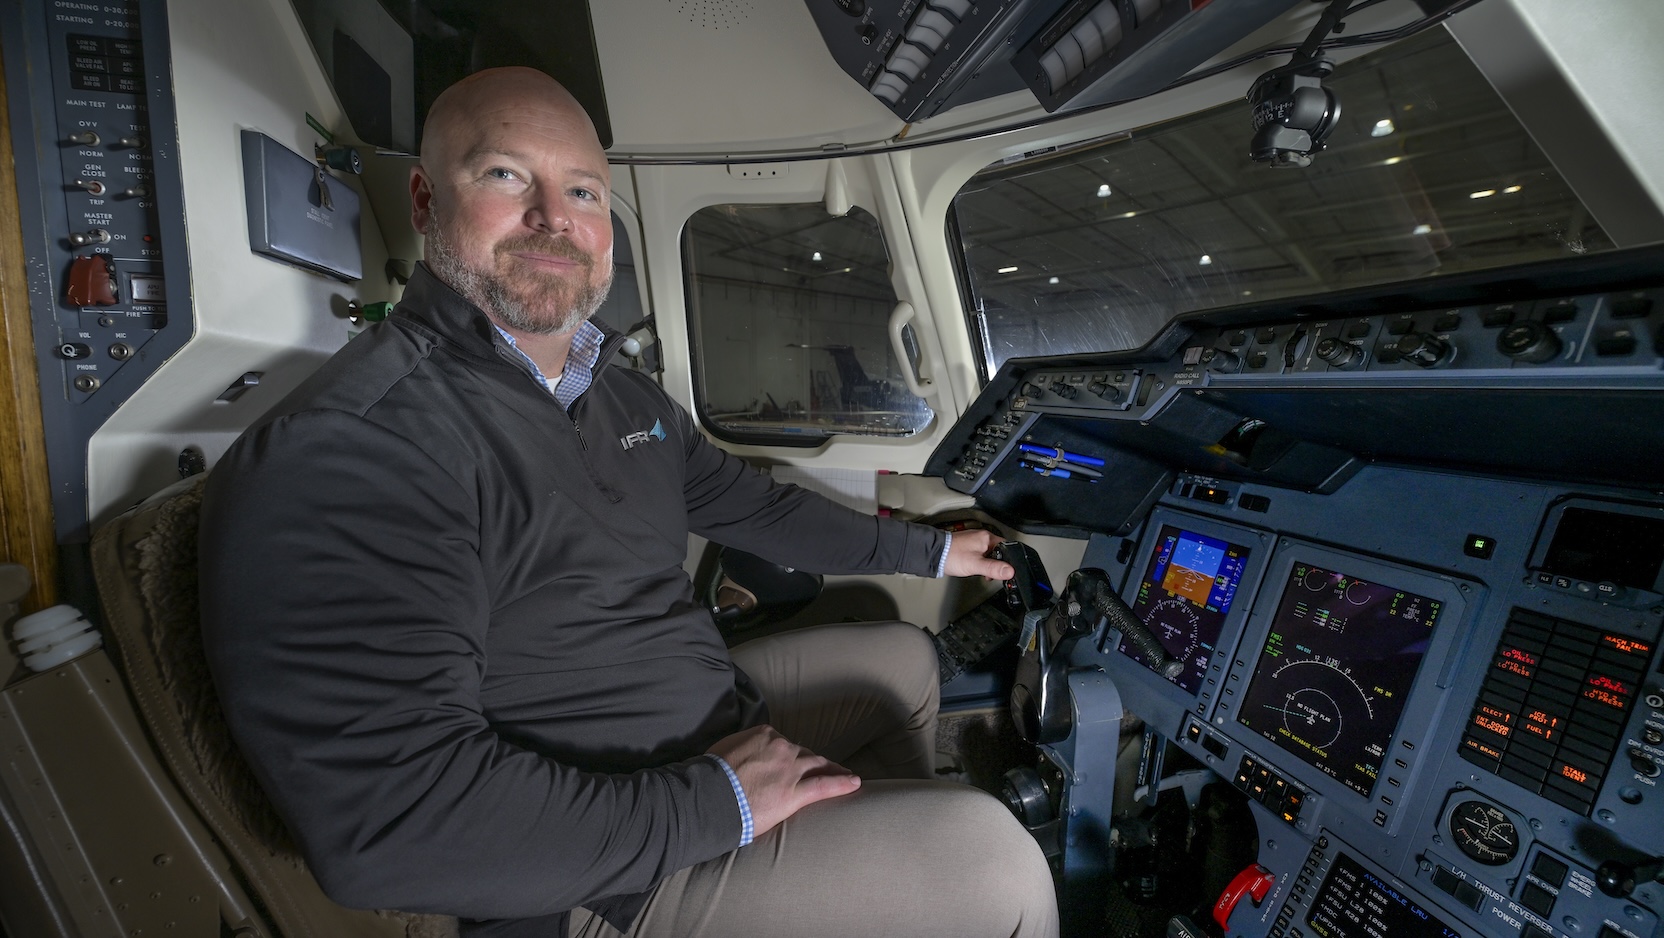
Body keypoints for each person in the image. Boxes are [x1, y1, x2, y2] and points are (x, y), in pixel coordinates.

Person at [198, 66, 1058, 938]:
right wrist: (714, 804)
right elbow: (395, 823)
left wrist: (932, 553)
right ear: (424, 201)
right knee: (994, 865)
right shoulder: (357, 444)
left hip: (693, 726)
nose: (554, 216)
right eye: (505, 175)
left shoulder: (620, 396)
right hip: (582, 870)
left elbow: (755, 507)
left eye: (583, 191)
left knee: (901, 661)